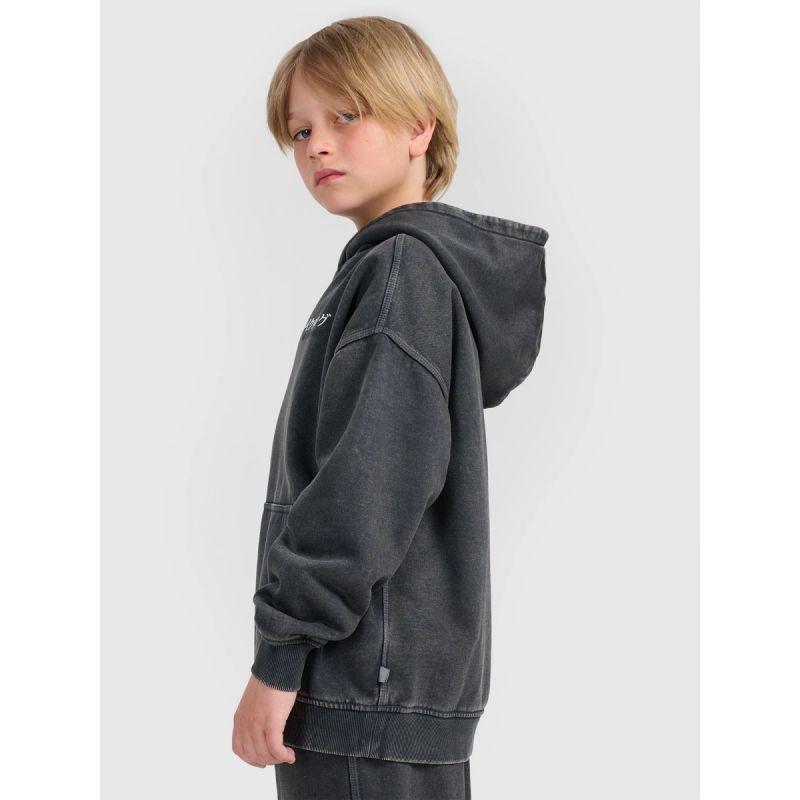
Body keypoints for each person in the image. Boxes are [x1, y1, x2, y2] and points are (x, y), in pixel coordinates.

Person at [232, 15, 549, 800]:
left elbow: (364, 489)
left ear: (419, 127)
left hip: (359, 691)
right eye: (300, 130)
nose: (318, 146)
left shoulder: (400, 273)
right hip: (390, 691)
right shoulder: (398, 273)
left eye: (346, 116)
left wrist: (279, 659)